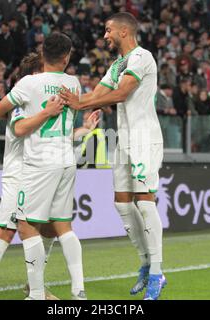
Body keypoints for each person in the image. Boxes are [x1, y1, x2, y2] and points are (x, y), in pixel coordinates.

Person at [0, 51, 100, 300]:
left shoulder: (39, 97)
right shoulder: (21, 104)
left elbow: (52, 134)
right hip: (19, 173)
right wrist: (48, 111)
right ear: (34, 74)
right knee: (7, 231)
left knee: (50, 229)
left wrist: (84, 129)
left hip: (42, 172)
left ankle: (35, 286)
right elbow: (20, 128)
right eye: (42, 73)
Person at [60, 12, 166, 300]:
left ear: (123, 31)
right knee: (121, 202)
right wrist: (76, 103)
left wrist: (79, 102)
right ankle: (145, 261)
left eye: (108, 30)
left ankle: (157, 272)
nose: (104, 36)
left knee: (145, 203)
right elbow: (98, 94)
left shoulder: (142, 57)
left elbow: (120, 94)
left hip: (145, 138)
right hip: (123, 139)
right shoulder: (118, 64)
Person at [6, 33, 89, 301]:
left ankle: (36, 295)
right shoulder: (73, 83)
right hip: (67, 159)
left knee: (26, 225)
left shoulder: (30, 83)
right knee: (63, 225)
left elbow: (3, 111)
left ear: (42, 53)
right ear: (66, 57)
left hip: (40, 161)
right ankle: (79, 291)